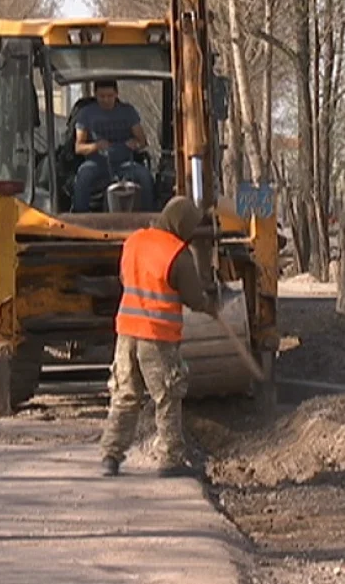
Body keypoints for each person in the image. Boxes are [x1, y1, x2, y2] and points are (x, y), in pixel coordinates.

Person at [100, 196, 217, 477]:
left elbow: (127, 279)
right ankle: (170, 458)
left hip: (126, 331)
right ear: (181, 224)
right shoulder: (177, 253)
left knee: (125, 394)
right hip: (156, 337)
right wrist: (208, 306)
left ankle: (110, 455)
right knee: (167, 395)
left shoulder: (134, 242)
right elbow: (192, 296)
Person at [72, 80, 156, 212]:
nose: (106, 100)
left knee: (144, 176)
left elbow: (143, 142)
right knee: (83, 176)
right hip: (96, 163)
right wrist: (96, 146)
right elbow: (78, 148)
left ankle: (147, 216)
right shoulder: (86, 114)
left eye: (110, 96)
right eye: (102, 96)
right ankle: (79, 215)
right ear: (95, 95)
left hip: (126, 162)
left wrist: (135, 144)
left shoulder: (128, 112)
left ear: (117, 94)